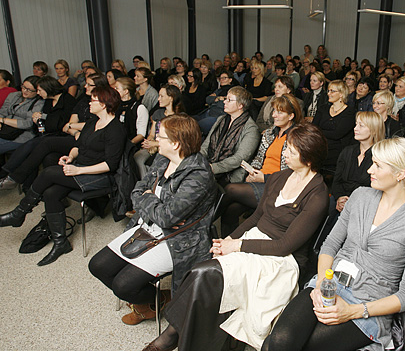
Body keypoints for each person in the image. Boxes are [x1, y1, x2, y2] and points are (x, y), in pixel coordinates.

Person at [141, 124, 329, 351]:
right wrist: (227, 241)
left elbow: (285, 245)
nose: (284, 154)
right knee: (205, 275)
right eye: (286, 147)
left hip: (281, 260)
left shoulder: (318, 195)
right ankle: (180, 339)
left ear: (308, 158)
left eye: (291, 150)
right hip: (254, 240)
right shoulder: (280, 177)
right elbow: (256, 217)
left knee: (206, 274)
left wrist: (238, 245)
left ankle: (170, 337)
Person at [262, 137, 405, 351]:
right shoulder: (360, 196)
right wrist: (320, 287)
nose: (370, 170)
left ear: (400, 174)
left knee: (303, 347)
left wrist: (354, 311)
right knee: (276, 342)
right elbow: (330, 245)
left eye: (378, 165)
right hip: (328, 284)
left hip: (367, 304)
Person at [89, 114, 218, 325]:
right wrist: (151, 201)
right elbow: (137, 191)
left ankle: (160, 299)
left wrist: (148, 198)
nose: (157, 140)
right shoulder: (163, 159)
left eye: (161, 136)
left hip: (179, 240)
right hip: (149, 226)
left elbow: (166, 217)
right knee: (98, 266)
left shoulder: (198, 175)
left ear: (175, 144)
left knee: (123, 285)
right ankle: (149, 304)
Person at [0, 86, 126, 265]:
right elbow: (78, 146)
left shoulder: (116, 129)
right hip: (82, 167)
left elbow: (110, 165)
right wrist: (70, 157)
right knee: (51, 193)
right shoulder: (92, 122)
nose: (89, 102)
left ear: (105, 104)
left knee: (49, 172)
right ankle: (61, 243)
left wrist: (78, 170)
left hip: (100, 176)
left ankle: (19, 213)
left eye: (94, 100)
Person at [0, 74, 106, 192]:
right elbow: (67, 126)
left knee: (44, 143)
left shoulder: (99, 102)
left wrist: (72, 127)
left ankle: (14, 177)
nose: (85, 86)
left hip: (86, 139)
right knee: (48, 156)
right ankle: (47, 191)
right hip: (71, 135)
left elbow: (94, 124)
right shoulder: (81, 101)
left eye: (89, 84)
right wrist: (75, 130)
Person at [218, 93, 303, 237]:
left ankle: (201, 221)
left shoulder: (298, 137)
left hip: (277, 187)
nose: (274, 115)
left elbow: (293, 172)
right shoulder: (269, 132)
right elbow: (259, 158)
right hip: (260, 180)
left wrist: (265, 178)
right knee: (231, 209)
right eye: (274, 111)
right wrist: (252, 172)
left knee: (230, 188)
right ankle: (226, 243)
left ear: (291, 116)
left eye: (279, 112)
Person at [327, 111, 385, 240]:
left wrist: (350, 202)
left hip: (365, 205)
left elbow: (377, 189)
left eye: (361, 125)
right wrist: (339, 198)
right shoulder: (347, 151)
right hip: (341, 200)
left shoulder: (381, 156)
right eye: (356, 124)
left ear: (374, 130)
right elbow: (337, 180)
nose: (355, 128)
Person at [201, 86, 260, 185]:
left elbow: (239, 158)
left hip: (230, 176)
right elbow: (205, 146)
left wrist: (212, 168)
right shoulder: (221, 120)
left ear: (240, 105)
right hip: (209, 165)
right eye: (225, 99)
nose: (224, 102)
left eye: (229, 100)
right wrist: (199, 161)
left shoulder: (251, 129)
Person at [134, 85, 184, 179]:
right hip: (154, 146)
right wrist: (149, 142)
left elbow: (176, 140)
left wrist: (156, 144)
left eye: (161, 96)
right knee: (137, 158)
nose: (158, 98)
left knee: (155, 163)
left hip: (168, 148)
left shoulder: (180, 117)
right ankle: (145, 183)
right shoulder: (158, 113)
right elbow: (152, 133)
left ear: (171, 98)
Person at [313, 80, 355, 176]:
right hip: (320, 147)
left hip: (337, 151)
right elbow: (313, 129)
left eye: (332, 91)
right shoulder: (323, 108)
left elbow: (337, 134)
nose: (329, 94)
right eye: (328, 91)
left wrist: (319, 131)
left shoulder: (350, 112)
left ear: (341, 94)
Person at [0, 75, 43, 155]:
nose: (25, 91)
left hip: (21, 136)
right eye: (23, 87)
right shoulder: (14, 95)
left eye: (29, 90)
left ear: (37, 91)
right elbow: (2, 112)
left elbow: (28, 123)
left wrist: (3, 120)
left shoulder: (39, 102)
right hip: (4, 129)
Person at [115, 77, 149, 146]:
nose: (114, 90)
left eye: (117, 88)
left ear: (126, 91)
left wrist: (128, 145)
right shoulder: (115, 106)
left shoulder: (140, 108)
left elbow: (141, 134)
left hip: (132, 145)